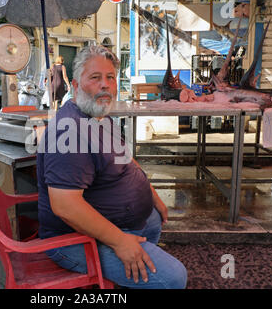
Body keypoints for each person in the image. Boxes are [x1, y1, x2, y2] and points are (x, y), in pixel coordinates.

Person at [36, 45, 187, 289]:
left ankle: (132, 271)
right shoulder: (69, 131)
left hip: (118, 222)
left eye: (110, 78)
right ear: (75, 86)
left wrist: (151, 194)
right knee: (174, 278)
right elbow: (65, 206)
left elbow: (124, 157)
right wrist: (119, 242)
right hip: (72, 240)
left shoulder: (99, 117)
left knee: (152, 218)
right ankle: (133, 264)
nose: (105, 84)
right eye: (95, 78)